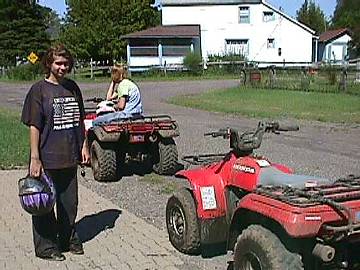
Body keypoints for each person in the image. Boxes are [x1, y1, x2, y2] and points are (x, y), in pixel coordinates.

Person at [21, 44, 90, 261]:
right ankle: (46, 247)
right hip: (46, 158)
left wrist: (84, 145)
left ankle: (67, 238)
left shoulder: (72, 87)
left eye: (66, 63)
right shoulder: (38, 90)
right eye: (58, 63)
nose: (63, 67)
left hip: (69, 156)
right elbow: (34, 125)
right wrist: (35, 158)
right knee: (42, 203)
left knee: (69, 203)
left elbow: (80, 120)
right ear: (49, 63)